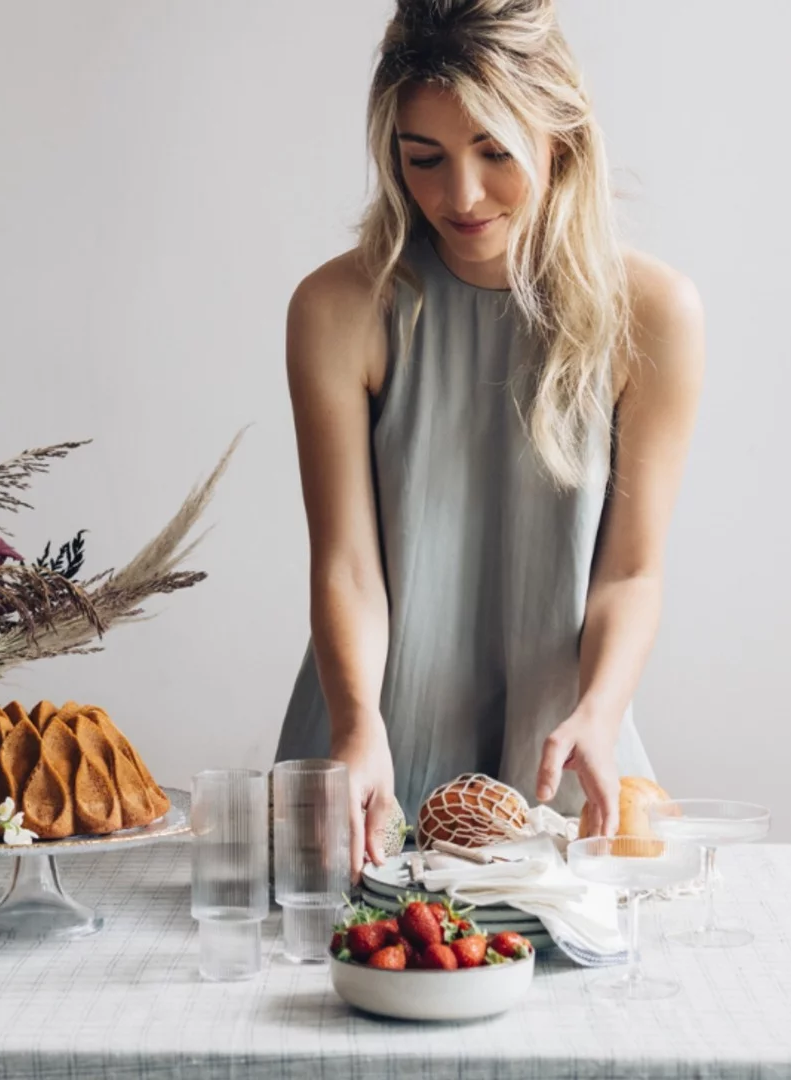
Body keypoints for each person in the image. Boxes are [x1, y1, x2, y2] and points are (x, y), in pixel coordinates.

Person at [275, 0, 705, 877]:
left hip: (566, 754)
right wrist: (358, 727)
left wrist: (601, 711)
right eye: (423, 158)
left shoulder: (654, 313)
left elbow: (631, 572)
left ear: (560, 138)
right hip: (371, 754)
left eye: (495, 152)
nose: (460, 196)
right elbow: (347, 566)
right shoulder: (338, 308)